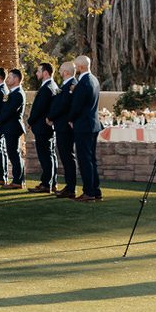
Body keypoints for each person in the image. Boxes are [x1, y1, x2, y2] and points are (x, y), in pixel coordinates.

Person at [64, 55, 103, 202]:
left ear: (80, 67)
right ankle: (96, 190)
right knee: (91, 159)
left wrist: (70, 119)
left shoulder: (84, 82)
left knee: (85, 160)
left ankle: (89, 192)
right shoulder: (94, 80)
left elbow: (77, 106)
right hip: (93, 124)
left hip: (83, 126)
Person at [27, 62, 59, 195]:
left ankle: (46, 184)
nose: (36, 73)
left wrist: (30, 121)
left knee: (46, 156)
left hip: (43, 127)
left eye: (38, 71)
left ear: (45, 73)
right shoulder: (53, 86)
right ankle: (53, 182)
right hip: (48, 127)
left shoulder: (47, 88)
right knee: (51, 155)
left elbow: (39, 108)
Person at [50, 67, 79, 199]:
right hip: (61, 125)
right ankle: (69, 186)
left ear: (66, 72)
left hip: (65, 126)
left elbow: (64, 104)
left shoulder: (71, 85)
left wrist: (50, 117)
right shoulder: (65, 85)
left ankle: (71, 188)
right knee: (65, 156)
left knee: (68, 157)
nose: (60, 72)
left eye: (61, 69)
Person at [0, 67, 27, 188]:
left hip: (13, 127)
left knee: (14, 154)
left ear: (16, 79)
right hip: (9, 127)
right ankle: (18, 179)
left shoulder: (18, 93)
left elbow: (10, 110)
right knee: (13, 153)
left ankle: (17, 181)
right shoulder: (12, 93)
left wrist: (0, 120)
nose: (7, 79)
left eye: (9, 77)